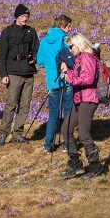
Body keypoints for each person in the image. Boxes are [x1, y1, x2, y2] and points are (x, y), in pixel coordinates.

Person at [60, 33, 105, 179]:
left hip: (89, 98)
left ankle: (95, 166)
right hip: (79, 99)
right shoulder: (79, 58)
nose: (70, 49)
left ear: (78, 44)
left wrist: (70, 78)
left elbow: (88, 78)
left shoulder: (87, 57)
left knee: (84, 134)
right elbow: (79, 76)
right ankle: (75, 164)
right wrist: (68, 72)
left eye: (71, 46)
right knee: (66, 129)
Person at [0, 4, 39, 146]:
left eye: (27, 16)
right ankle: (3, 133)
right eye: (22, 16)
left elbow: (36, 49)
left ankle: (18, 134)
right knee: (10, 104)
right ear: (16, 17)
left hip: (29, 73)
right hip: (13, 74)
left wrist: (34, 58)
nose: (25, 19)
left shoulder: (31, 32)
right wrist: (3, 74)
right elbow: (1, 56)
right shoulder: (7, 32)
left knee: (25, 105)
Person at [36, 14, 74, 153]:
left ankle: (48, 144)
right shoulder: (66, 40)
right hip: (67, 80)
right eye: (69, 26)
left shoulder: (45, 41)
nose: (70, 29)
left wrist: (50, 66)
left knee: (53, 114)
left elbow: (39, 61)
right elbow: (72, 59)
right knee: (68, 112)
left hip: (52, 81)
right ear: (63, 26)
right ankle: (66, 143)